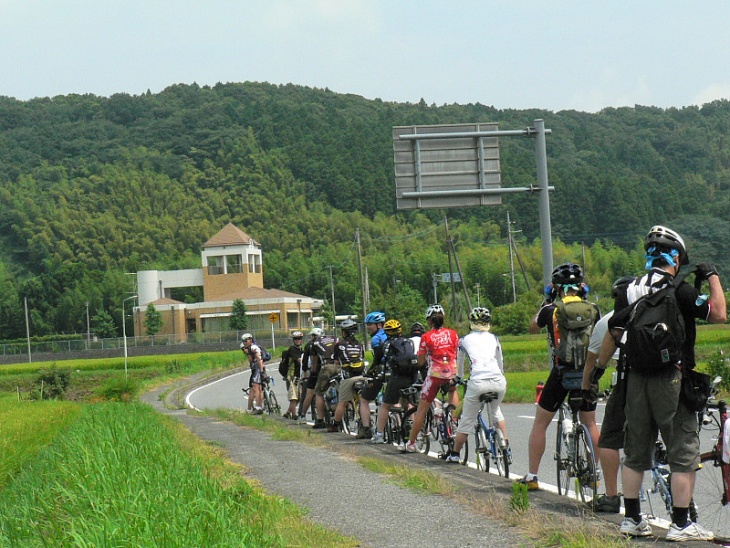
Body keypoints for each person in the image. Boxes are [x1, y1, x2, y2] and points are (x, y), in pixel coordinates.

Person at [605, 226, 726, 541]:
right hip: (672, 379)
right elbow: (719, 315)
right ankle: (681, 523)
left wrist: (599, 371)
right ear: (677, 257)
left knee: (635, 451)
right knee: (682, 451)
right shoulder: (681, 290)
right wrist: (712, 276)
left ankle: (631, 519)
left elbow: (614, 331)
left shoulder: (627, 289)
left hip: (635, 377)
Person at [518, 263, 600, 490]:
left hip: (562, 372)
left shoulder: (550, 310)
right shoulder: (593, 308)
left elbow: (532, 328)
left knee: (541, 422)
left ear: (556, 288)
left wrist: (546, 301)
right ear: (581, 286)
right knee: (590, 422)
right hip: (587, 371)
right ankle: (594, 472)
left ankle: (532, 476)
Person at [580, 275, 635, 513]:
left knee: (610, 438)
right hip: (665, 383)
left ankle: (612, 497)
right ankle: (684, 503)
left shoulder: (607, 322)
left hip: (627, 383)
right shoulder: (658, 310)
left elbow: (593, 362)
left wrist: (587, 389)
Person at [449, 307, 508, 463]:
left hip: (478, 382)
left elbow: (459, 363)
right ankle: (505, 445)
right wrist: (500, 375)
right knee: (496, 412)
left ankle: (455, 454)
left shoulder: (464, 340)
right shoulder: (494, 338)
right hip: (498, 381)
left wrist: (458, 378)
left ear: (472, 323)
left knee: (467, 419)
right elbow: (500, 361)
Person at [404, 304, 460, 454]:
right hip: (451, 372)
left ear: (429, 321)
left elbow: (421, 361)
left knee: (422, 409)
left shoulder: (426, 337)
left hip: (435, 375)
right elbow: (457, 352)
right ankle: (453, 423)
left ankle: (411, 443)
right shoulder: (453, 334)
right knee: (452, 391)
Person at [372, 319, 419, 444]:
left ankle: (379, 434)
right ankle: (412, 427)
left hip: (397, 377)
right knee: (410, 403)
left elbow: (380, 361)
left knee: (386, 405)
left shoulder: (386, 344)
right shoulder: (409, 341)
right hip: (411, 376)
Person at [330, 319, 366, 432]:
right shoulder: (360, 345)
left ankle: (335, 424)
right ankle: (366, 425)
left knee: (342, 402)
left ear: (345, 332)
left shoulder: (339, 345)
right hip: (362, 375)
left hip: (348, 377)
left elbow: (336, 363)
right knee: (364, 402)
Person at [358, 311, 387, 439]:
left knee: (364, 400)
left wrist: (369, 372)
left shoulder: (376, 338)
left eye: (370, 324)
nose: (368, 327)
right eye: (367, 325)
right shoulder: (390, 335)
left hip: (381, 372)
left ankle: (366, 429)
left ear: (379, 325)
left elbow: (377, 359)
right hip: (396, 371)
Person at [312, 327, 339, 429]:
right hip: (339, 366)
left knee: (319, 393)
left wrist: (313, 371)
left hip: (327, 367)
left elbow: (314, 360)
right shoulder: (335, 338)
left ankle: (320, 420)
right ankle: (348, 410)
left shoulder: (316, 343)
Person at [298, 328, 322, 423]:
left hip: (314, 370)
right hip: (328, 369)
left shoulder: (310, 345)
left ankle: (302, 415)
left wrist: (304, 373)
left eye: (312, 336)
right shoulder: (325, 342)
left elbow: (305, 360)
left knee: (309, 393)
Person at [280, 331, 304, 419]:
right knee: (293, 396)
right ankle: (294, 415)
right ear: (293, 340)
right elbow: (299, 360)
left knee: (300, 397)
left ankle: (288, 413)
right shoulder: (292, 349)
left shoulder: (301, 350)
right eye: (296, 339)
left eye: (299, 339)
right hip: (292, 375)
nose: (298, 340)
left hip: (298, 375)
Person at [240, 333, 266, 414]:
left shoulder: (253, 348)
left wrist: (261, 371)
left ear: (250, 340)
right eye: (243, 341)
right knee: (254, 388)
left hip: (257, 369)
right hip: (256, 369)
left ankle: (258, 407)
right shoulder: (250, 349)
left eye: (246, 341)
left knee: (256, 388)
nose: (244, 343)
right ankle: (251, 409)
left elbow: (258, 359)